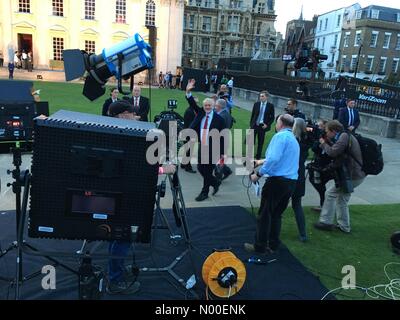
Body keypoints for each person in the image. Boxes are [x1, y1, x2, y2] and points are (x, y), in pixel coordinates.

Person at [107, 101, 176, 295]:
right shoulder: (124, 136)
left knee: (117, 236)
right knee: (122, 237)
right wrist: (164, 169)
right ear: (121, 116)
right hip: (126, 194)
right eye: (131, 113)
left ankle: (116, 271)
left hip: (119, 193)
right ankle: (115, 281)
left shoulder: (112, 131)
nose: (136, 116)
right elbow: (137, 168)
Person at [244, 114, 299, 254]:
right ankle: (273, 244)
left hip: (277, 182)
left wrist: (259, 174)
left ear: (280, 123)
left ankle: (260, 246)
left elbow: (274, 159)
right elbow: (280, 158)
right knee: (276, 214)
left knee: (265, 214)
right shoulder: (293, 138)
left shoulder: (280, 137)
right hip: (290, 182)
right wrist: (261, 161)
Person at [314, 120, 366, 233]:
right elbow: (338, 150)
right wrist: (328, 142)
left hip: (352, 175)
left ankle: (325, 222)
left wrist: (323, 143)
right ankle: (344, 226)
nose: (326, 133)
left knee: (330, 194)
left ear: (333, 131)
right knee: (342, 199)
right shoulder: (345, 135)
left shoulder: (343, 136)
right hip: (357, 174)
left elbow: (333, 152)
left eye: (327, 131)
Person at [186, 79, 225, 202]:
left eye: (209, 105)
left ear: (213, 107)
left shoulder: (219, 119)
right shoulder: (201, 113)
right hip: (202, 145)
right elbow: (192, 103)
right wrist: (188, 91)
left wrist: (222, 152)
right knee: (200, 168)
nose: (207, 107)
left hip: (213, 148)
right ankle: (215, 182)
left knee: (207, 170)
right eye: (205, 105)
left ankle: (204, 192)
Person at [291, 118, 313, 242]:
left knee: (278, 204)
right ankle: (303, 234)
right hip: (299, 174)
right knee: (297, 204)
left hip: (290, 174)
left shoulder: (293, 141)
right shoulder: (306, 140)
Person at [250, 91, 275, 160]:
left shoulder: (270, 106)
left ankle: (258, 158)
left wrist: (267, 125)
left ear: (267, 97)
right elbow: (252, 115)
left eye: (262, 96)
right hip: (255, 125)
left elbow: (272, 117)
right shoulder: (256, 104)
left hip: (262, 127)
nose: (261, 98)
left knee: (260, 143)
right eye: (260, 96)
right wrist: (251, 125)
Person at [214, 98, 233, 181]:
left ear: (220, 106)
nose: (215, 107)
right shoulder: (227, 113)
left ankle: (219, 175)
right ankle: (226, 171)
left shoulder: (221, 115)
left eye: (216, 105)